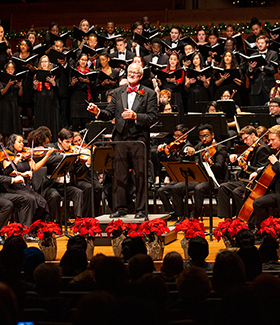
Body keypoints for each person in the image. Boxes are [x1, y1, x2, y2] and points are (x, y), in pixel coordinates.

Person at [87, 62, 158, 218]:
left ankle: (141, 209)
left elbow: (153, 117)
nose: (131, 74)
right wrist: (98, 111)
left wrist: (135, 116)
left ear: (140, 76)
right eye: (129, 72)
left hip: (139, 140)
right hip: (120, 139)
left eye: (135, 73)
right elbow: (109, 113)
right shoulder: (118, 92)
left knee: (140, 175)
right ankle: (120, 208)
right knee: (119, 175)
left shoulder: (149, 93)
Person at [171, 124, 228, 221]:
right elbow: (189, 150)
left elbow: (218, 167)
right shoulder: (200, 146)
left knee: (199, 188)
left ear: (212, 135)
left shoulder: (220, 148)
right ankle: (180, 216)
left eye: (206, 136)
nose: (204, 139)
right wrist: (189, 149)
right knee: (176, 188)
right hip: (201, 178)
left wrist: (209, 162)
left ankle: (194, 215)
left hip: (214, 180)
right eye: (201, 137)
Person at [218, 126, 270, 219]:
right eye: (243, 140)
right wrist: (237, 158)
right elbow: (246, 160)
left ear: (253, 135)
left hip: (255, 183)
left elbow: (262, 170)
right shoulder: (252, 147)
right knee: (223, 187)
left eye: (246, 138)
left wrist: (247, 167)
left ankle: (243, 219)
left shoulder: (262, 149)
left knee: (237, 192)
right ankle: (227, 220)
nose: (245, 142)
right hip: (244, 180)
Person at [33, 55, 60, 142]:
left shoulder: (53, 74)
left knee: (51, 124)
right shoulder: (36, 75)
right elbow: (33, 93)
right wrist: (34, 86)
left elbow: (58, 91)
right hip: (40, 103)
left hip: (51, 103)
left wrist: (53, 83)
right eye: (42, 62)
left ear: (49, 63)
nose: (44, 63)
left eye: (46, 62)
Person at [247, 35, 278, 106]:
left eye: (262, 43)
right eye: (258, 43)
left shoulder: (273, 54)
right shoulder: (253, 55)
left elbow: (273, 70)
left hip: (268, 87)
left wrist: (262, 67)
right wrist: (251, 68)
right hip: (256, 87)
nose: (260, 45)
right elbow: (249, 73)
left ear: (267, 44)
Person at [0, 61, 23, 137]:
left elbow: (20, 94)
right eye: (9, 69)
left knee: (14, 126)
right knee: (5, 126)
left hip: (14, 104)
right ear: (6, 69)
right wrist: (8, 84)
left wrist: (20, 87)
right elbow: (2, 92)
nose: (10, 70)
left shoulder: (17, 78)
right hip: (5, 104)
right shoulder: (1, 79)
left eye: (12, 69)